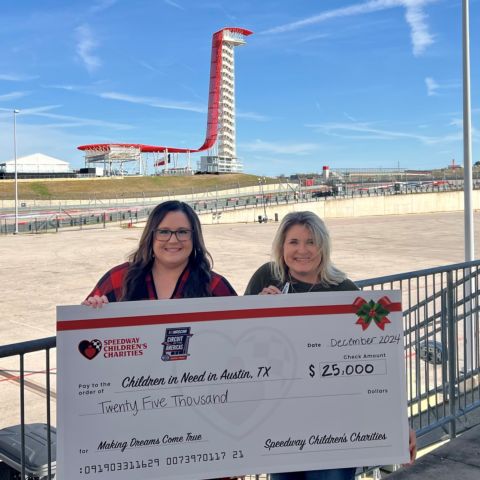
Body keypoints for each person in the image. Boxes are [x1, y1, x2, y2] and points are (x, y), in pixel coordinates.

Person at [245, 211, 416, 480]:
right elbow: (244, 342)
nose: (302, 250)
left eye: (311, 242)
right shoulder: (267, 277)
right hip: (282, 422)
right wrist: (257, 308)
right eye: (294, 242)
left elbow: (378, 358)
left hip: (336, 427)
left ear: (323, 246)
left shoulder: (345, 289)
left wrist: (397, 423)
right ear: (282, 246)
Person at [83, 200, 236, 305]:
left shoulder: (215, 285)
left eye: (182, 232)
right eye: (164, 232)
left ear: (194, 237)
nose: (173, 240)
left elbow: (242, 335)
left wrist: (259, 308)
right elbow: (81, 336)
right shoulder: (119, 278)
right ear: (151, 236)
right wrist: (92, 311)